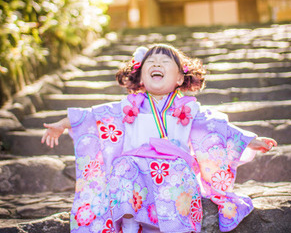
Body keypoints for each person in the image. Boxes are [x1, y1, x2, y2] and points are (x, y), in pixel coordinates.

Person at [42, 44, 277, 233]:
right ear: (141, 78)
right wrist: (62, 125)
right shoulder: (128, 107)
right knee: (122, 166)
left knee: (177, 173)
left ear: (179, 79)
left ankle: (176, 227)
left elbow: (218, 127)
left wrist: (250, 140)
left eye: (166, 62)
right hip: (136, 166)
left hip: (173, 168)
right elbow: (94, 116)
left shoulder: (189, 109)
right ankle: (129, 225)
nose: (157, 64)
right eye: (151, 63)